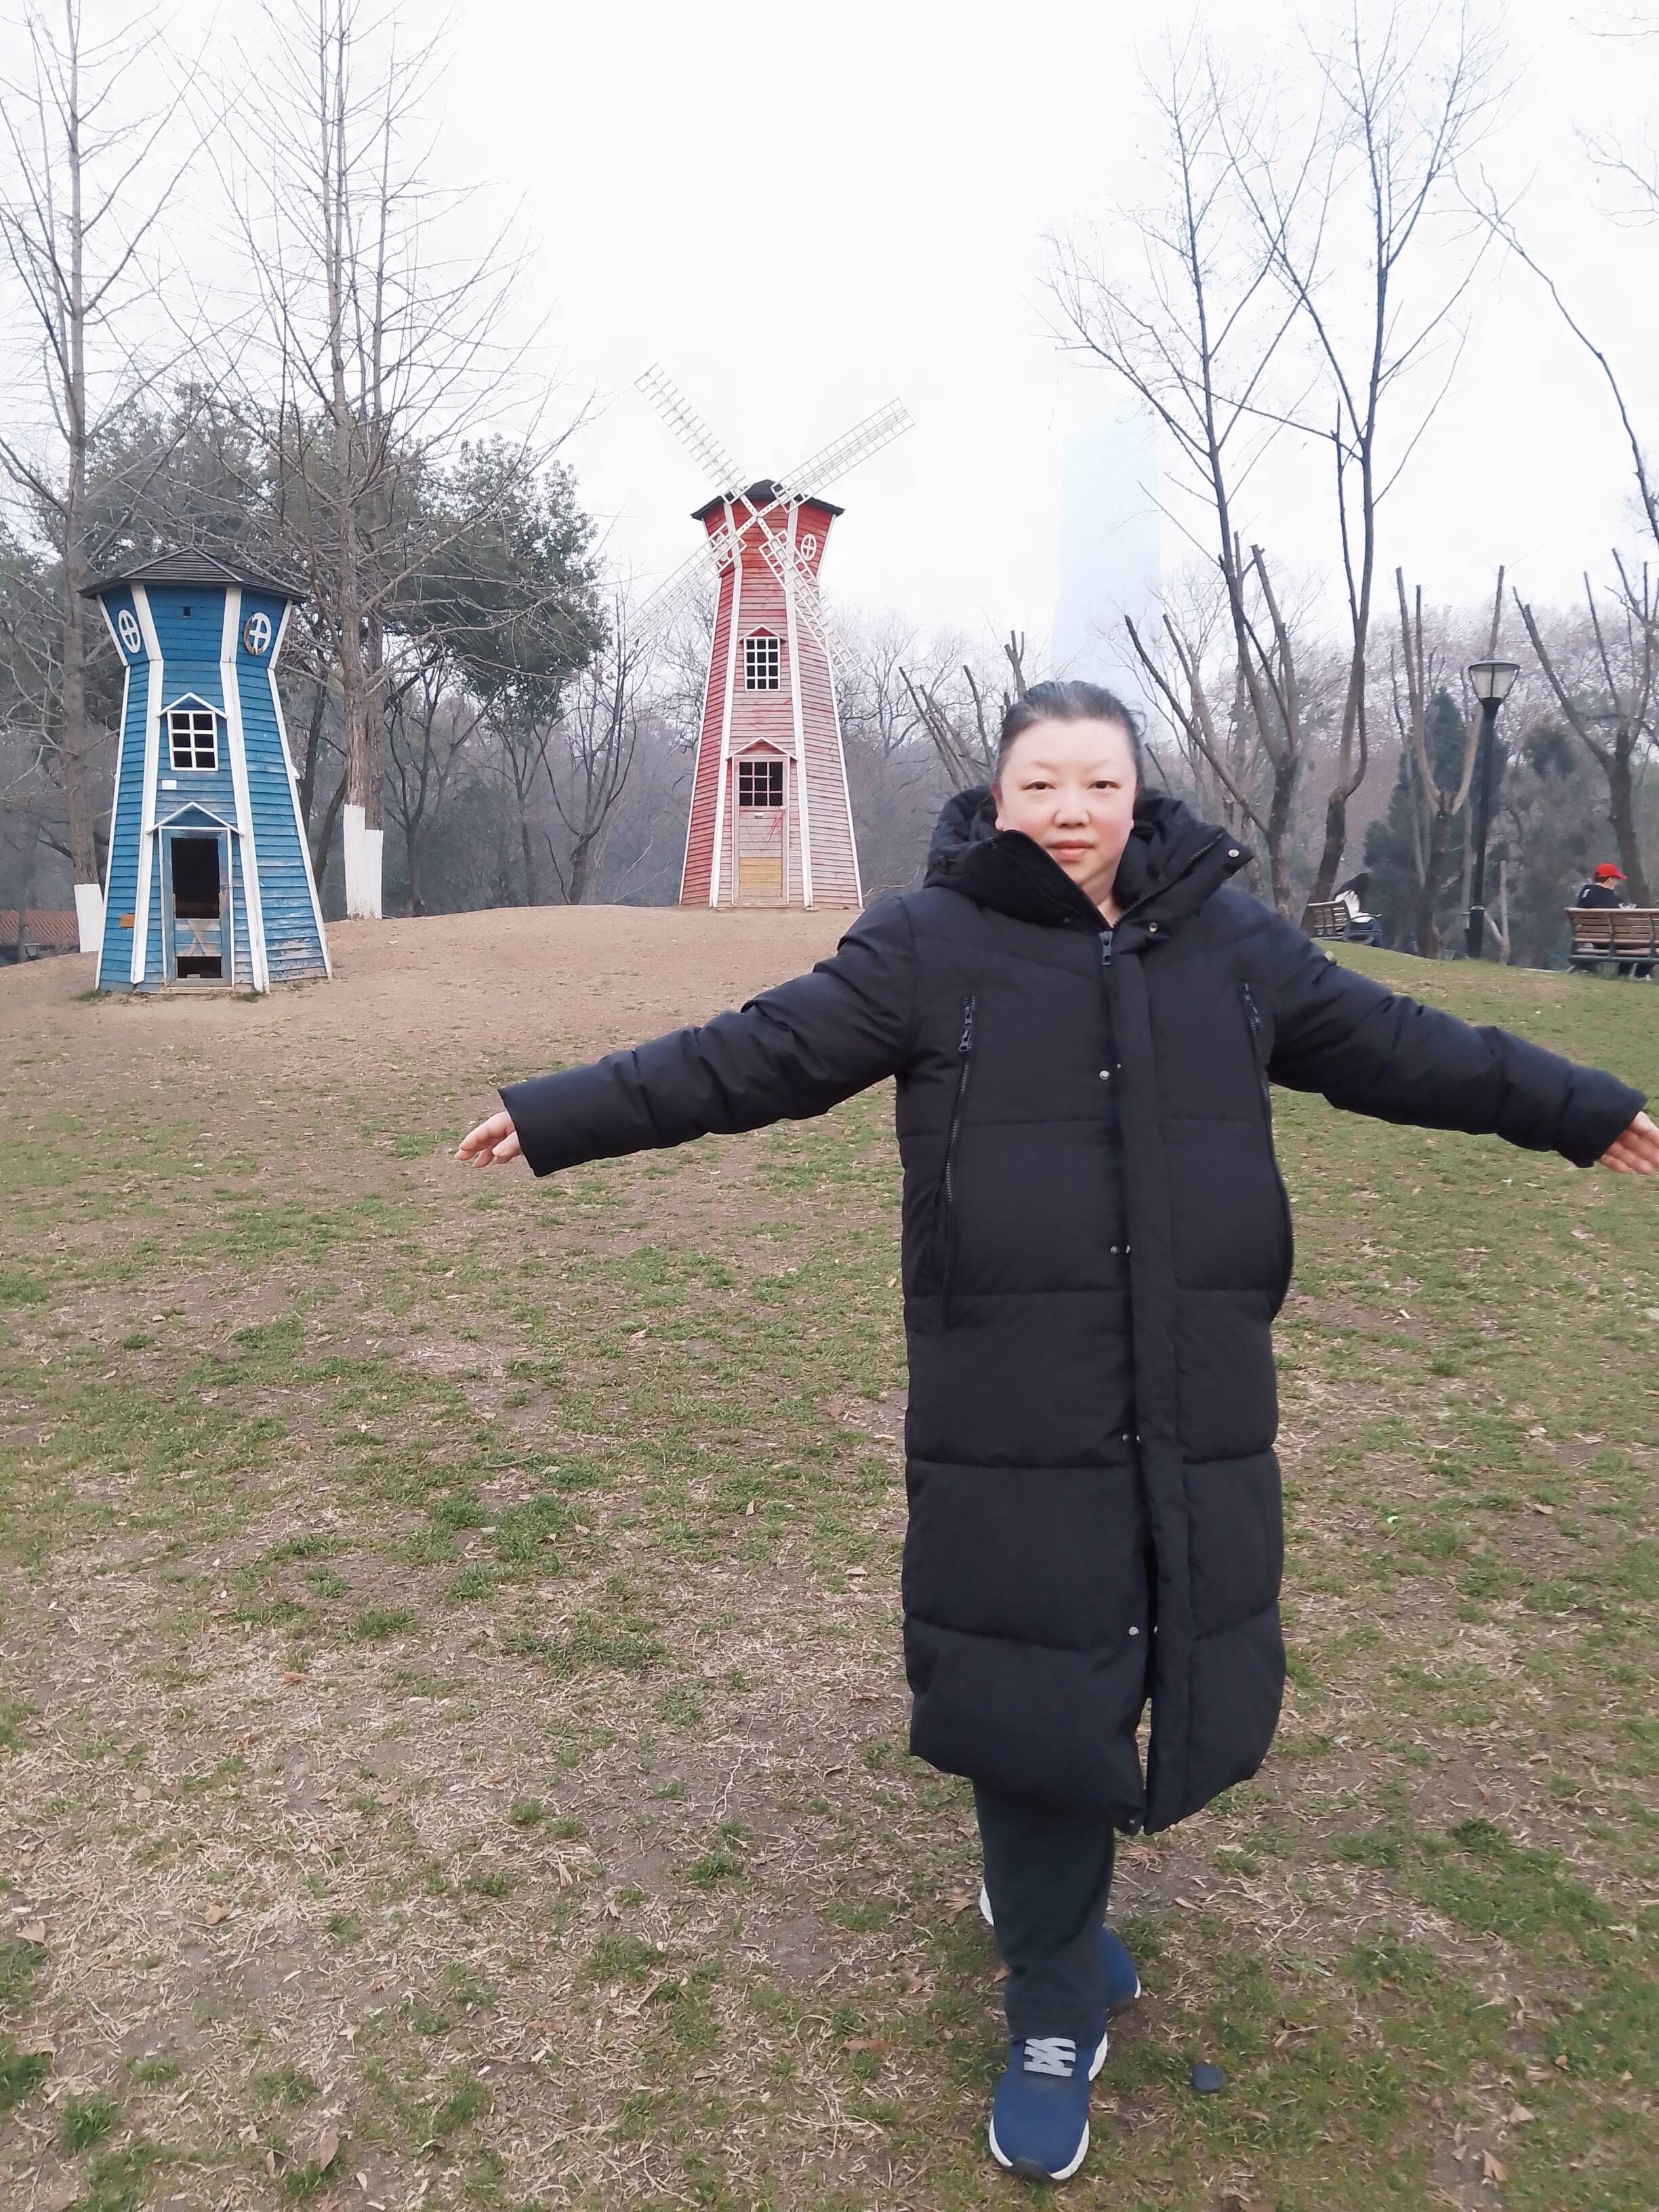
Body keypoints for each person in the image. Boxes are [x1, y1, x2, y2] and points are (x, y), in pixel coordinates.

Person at [459, 681, 1657, 2185]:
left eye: (1098, 783)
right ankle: (1049, 1997)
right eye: (1041, 786)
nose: (1071, 812)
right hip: (1009, 1397)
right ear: (998, 797)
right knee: (1033, 1671)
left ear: (1139, 794)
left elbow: (1406, 1045)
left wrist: (1572, 1106)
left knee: (1151, 1646)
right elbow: (746, 1056)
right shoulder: (928, 942)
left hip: (1193, 1383)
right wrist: (561, 1113)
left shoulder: (1230, 943)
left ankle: (1051, 1924)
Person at [1575, 861, 1653, 979]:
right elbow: (1622, 921)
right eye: (1616, 879)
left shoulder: (1585, 894)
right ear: (1609, 880)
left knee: (1633, 942)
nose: (1616, 883)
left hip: (1595, 940)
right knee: (1652, 942)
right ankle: (1640, 976)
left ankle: (1624, 976)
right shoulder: (1608, 897)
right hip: (1613, 941)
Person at [1332, 869, 1384, 947]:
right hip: (1349, 927)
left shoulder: (1341, 894)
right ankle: (1379, 947)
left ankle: (1378, 947)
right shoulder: (1352, 896)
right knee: (1375, 924)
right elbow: (1353, 915)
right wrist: (1369, 916)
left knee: (1373, 924)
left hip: (1340, 927)